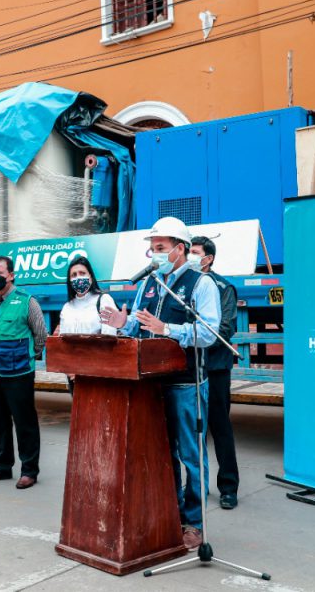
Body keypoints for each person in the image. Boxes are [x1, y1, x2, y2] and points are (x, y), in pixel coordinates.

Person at [101, 217, 220, 551]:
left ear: (180, 249)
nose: (154, 255)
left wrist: (169, 329)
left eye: (160, 248)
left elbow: (210, 333)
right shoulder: (148, 284)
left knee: (191, 455)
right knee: (160, 452)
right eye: (152, 249)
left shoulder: (200, 284)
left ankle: (194, 522)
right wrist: (124, 325)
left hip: (185, 384)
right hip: (151, 385)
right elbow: (140, 327)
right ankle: (169, 513)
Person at [0, 256, 48, 490]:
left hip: (19, 372)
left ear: (11, 275)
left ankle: (29, 470)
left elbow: (41, 336)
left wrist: (27, 356)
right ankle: (1, 467)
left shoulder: (27, 301)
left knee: (24, 422)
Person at [190, 235, 240, 510]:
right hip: (189, 366)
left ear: (207, 258)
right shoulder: (186, 284)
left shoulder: (224, 288)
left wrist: (191, 336)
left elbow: (225, 329)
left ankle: (228, 487)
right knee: (191, 429)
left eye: (195, 252)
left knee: (219, 427)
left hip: (215, 367)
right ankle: (195, 486)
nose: (190, 256)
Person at [58, 255, 118, 336]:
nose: (78, 278)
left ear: (90, 277)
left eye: (82, 273)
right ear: (69, 280)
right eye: (74, 275)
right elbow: (62, 340)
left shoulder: (104, 300)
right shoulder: (67, 307)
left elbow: (110, 338)